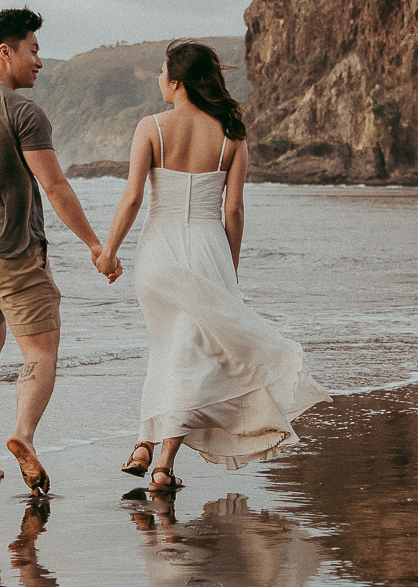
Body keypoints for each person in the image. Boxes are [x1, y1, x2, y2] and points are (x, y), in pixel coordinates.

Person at [95, 41, 328, 490]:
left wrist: (109, 251)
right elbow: (234, 212)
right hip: (208, 249)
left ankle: (148, 446)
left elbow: (134, 197)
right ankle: (160, 461)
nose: (160, 78)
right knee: (191, 355)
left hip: (159, 251)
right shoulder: (232, 136)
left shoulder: (152, 127)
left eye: (163, 71)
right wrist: (230, 267)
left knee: (168, 350)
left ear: (177, 80)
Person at [0, 7, 118, 493]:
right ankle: (24, 435)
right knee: (41, 350)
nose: (39, 61)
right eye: (33, 51)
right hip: (12, 251)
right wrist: (97, 244)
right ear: (5, 51)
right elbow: (54, 186)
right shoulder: (23, 112)